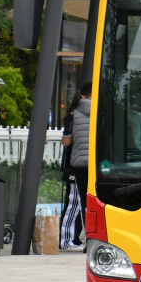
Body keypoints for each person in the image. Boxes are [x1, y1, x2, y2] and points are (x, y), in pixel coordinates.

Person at [59, 83, 90, 250]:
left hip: (78, 163)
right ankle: (90, 239)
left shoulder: (74, 116)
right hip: (98, 164)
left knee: (77, 202)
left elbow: (66, 142)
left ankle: (67, 240)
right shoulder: (103, 112)